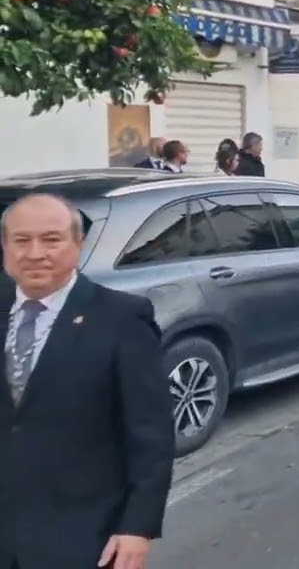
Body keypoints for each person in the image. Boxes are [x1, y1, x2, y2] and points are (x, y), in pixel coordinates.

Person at [0, 194, 174, 569]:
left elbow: (151, 434)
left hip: (81, 534)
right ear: (5, 246)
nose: (35, 253)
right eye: (21, 240)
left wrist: (137, 527)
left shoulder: (122, 318)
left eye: (51, 239)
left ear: (78, 244)